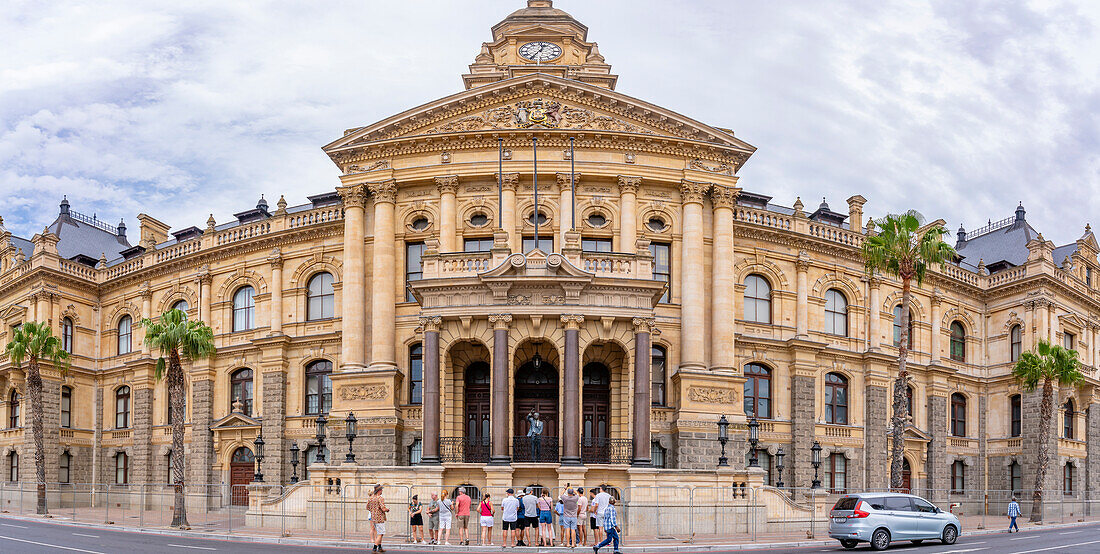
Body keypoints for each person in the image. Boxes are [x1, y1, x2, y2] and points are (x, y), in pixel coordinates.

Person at [366, 484, 389, 553]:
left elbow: (367, 507)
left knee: (379, 532)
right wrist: (387, 509)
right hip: (380, 518)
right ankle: (374, 548)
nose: (382, 491)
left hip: (373, 517)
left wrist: (373, 511)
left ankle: (380, 547)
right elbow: (383, 508)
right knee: (381, 533)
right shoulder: (380, 498)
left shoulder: (371, 498)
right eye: (381, 489)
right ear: (379, 491)